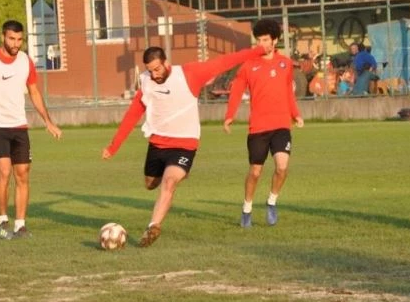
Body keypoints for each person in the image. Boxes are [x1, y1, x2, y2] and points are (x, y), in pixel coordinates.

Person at [102, 43, 266, 247]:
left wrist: (259, 50)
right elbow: (133, 114)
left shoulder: (190, 74)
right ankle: (177, 172)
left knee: (169, 182)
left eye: (157, 69)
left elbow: (225, 61)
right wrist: (113, 146)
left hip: (184, 143)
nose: (154, 74)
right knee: (150, 184)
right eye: (150, 70)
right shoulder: (146, 82)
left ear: (166, 63)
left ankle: (153, 226)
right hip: (157, 143)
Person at [0, 20, 62, 240]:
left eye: (20, 39)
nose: (16, 43)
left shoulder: (25, 61)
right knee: (4, 171)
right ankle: (3, 221)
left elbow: (34, 92)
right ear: (3, 37)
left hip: (19, 125)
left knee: (23, 173)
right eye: (12, 38)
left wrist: (48, 121)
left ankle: (20, 225)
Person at [224, 19, 304, 228]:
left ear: (275, 40)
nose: (262, 44)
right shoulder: (249, 65)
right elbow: (237, 90)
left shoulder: (285, 63)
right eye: (259, 40)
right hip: (258, 127)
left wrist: (296, 114)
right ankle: (247, 208)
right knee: (255, 172)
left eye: (266, 40)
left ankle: (272, 202)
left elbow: (288, 92)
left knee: (282, 167)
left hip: (281, 125)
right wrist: (230, 115)